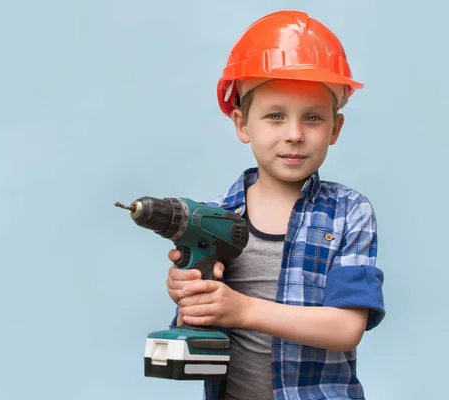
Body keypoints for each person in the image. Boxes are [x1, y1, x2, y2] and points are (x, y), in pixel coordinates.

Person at [165, 9, 385, 400]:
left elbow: (347, 328)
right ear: (242, 123)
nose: (295, 134)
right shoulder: (212, 217)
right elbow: (200, 328)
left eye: (313, 118)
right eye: (275, 116)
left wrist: (241, 310)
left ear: (335, 128)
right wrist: (190, 298)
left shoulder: (350, 212)